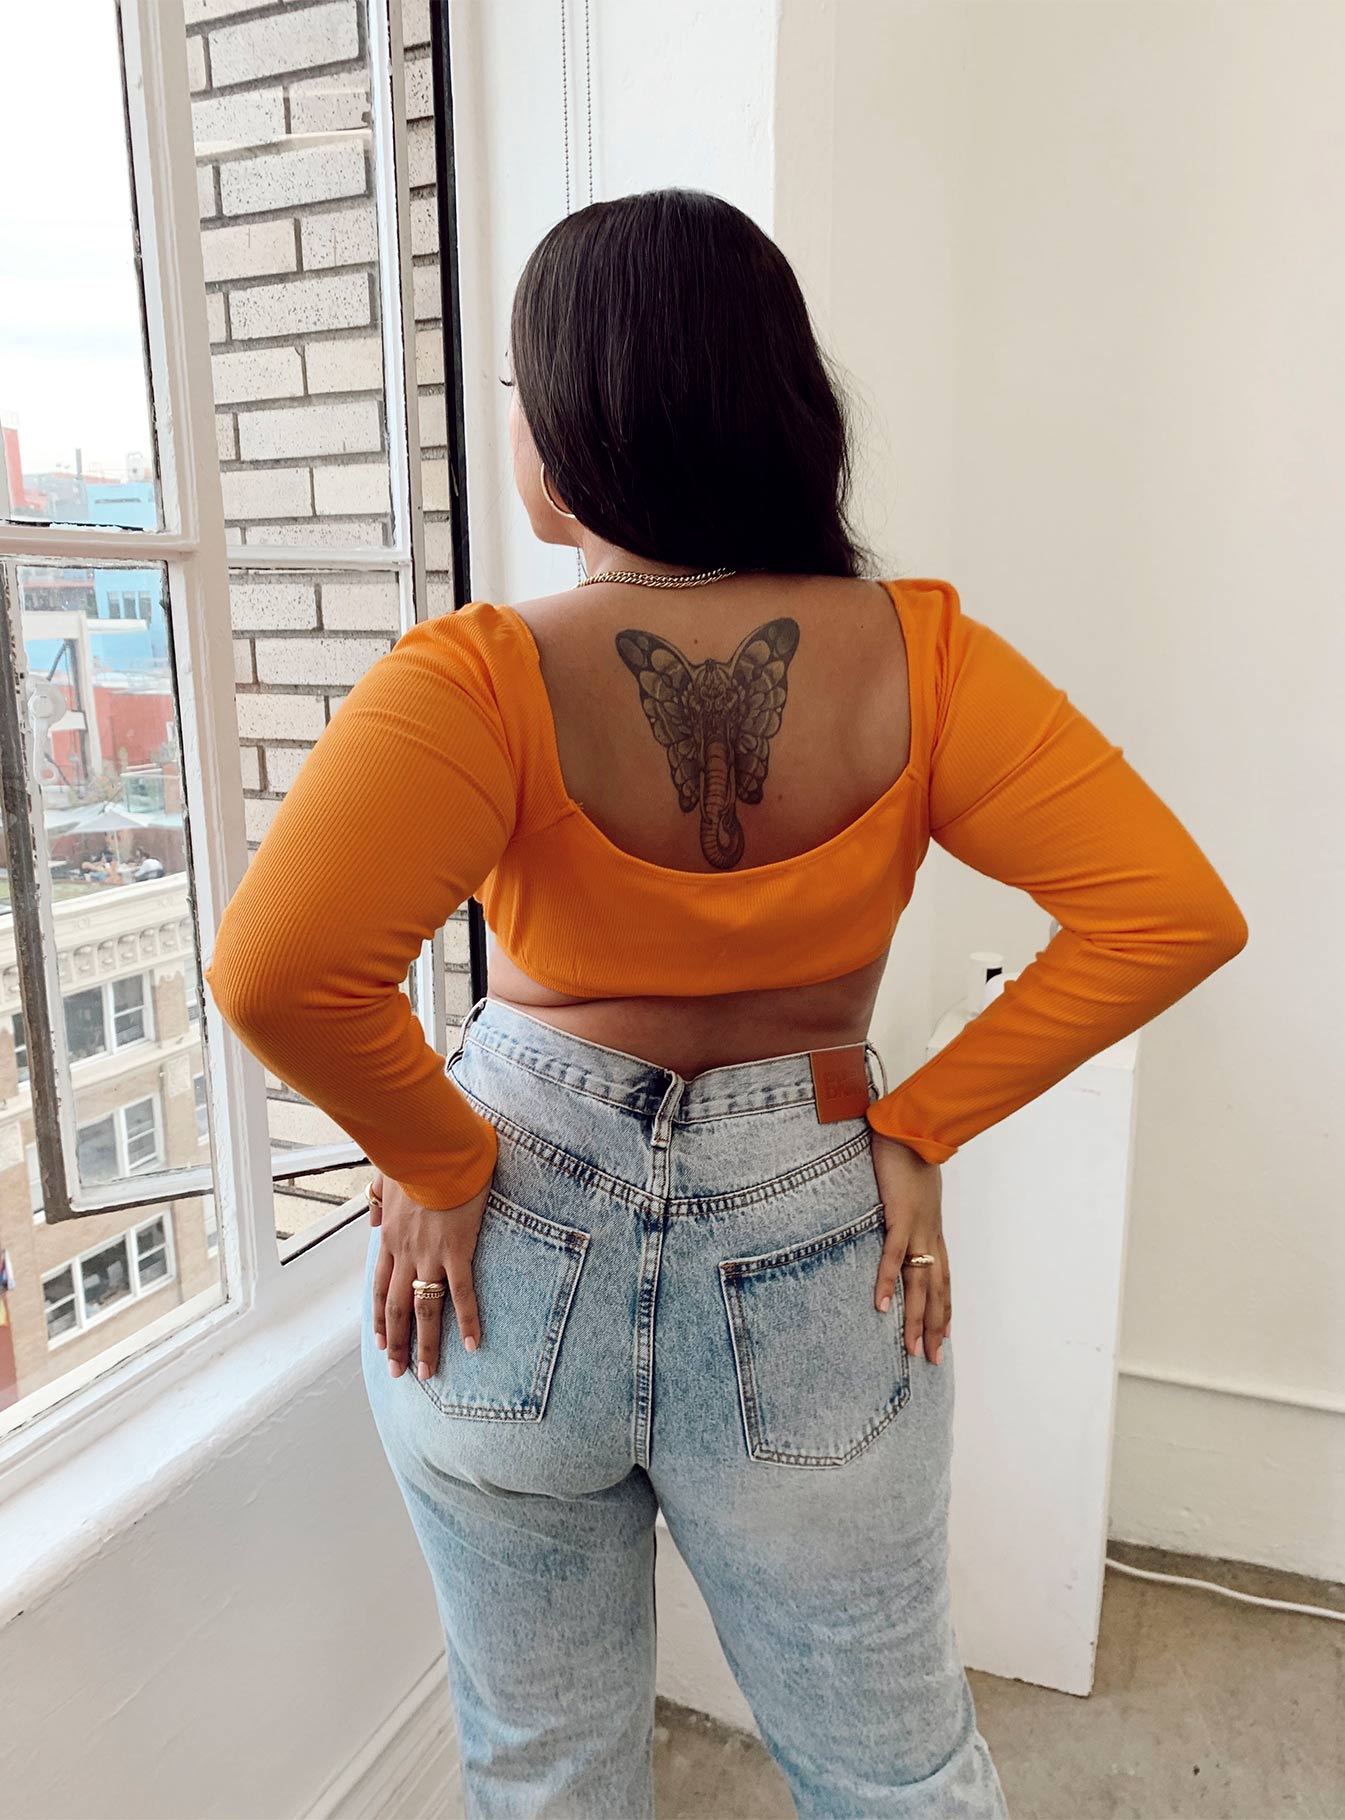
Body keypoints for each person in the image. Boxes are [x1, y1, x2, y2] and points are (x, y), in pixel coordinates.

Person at [205, 189, 1248, 1818]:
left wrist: (437, 1154)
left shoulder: (477, 674)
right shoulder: (928, 659)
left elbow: (280, 973)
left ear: (578, 423)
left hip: (504, 1249)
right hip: (807, 1221)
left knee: (544, 1771)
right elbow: (1168, 913)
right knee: (893, 1773)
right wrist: (917, 1124)